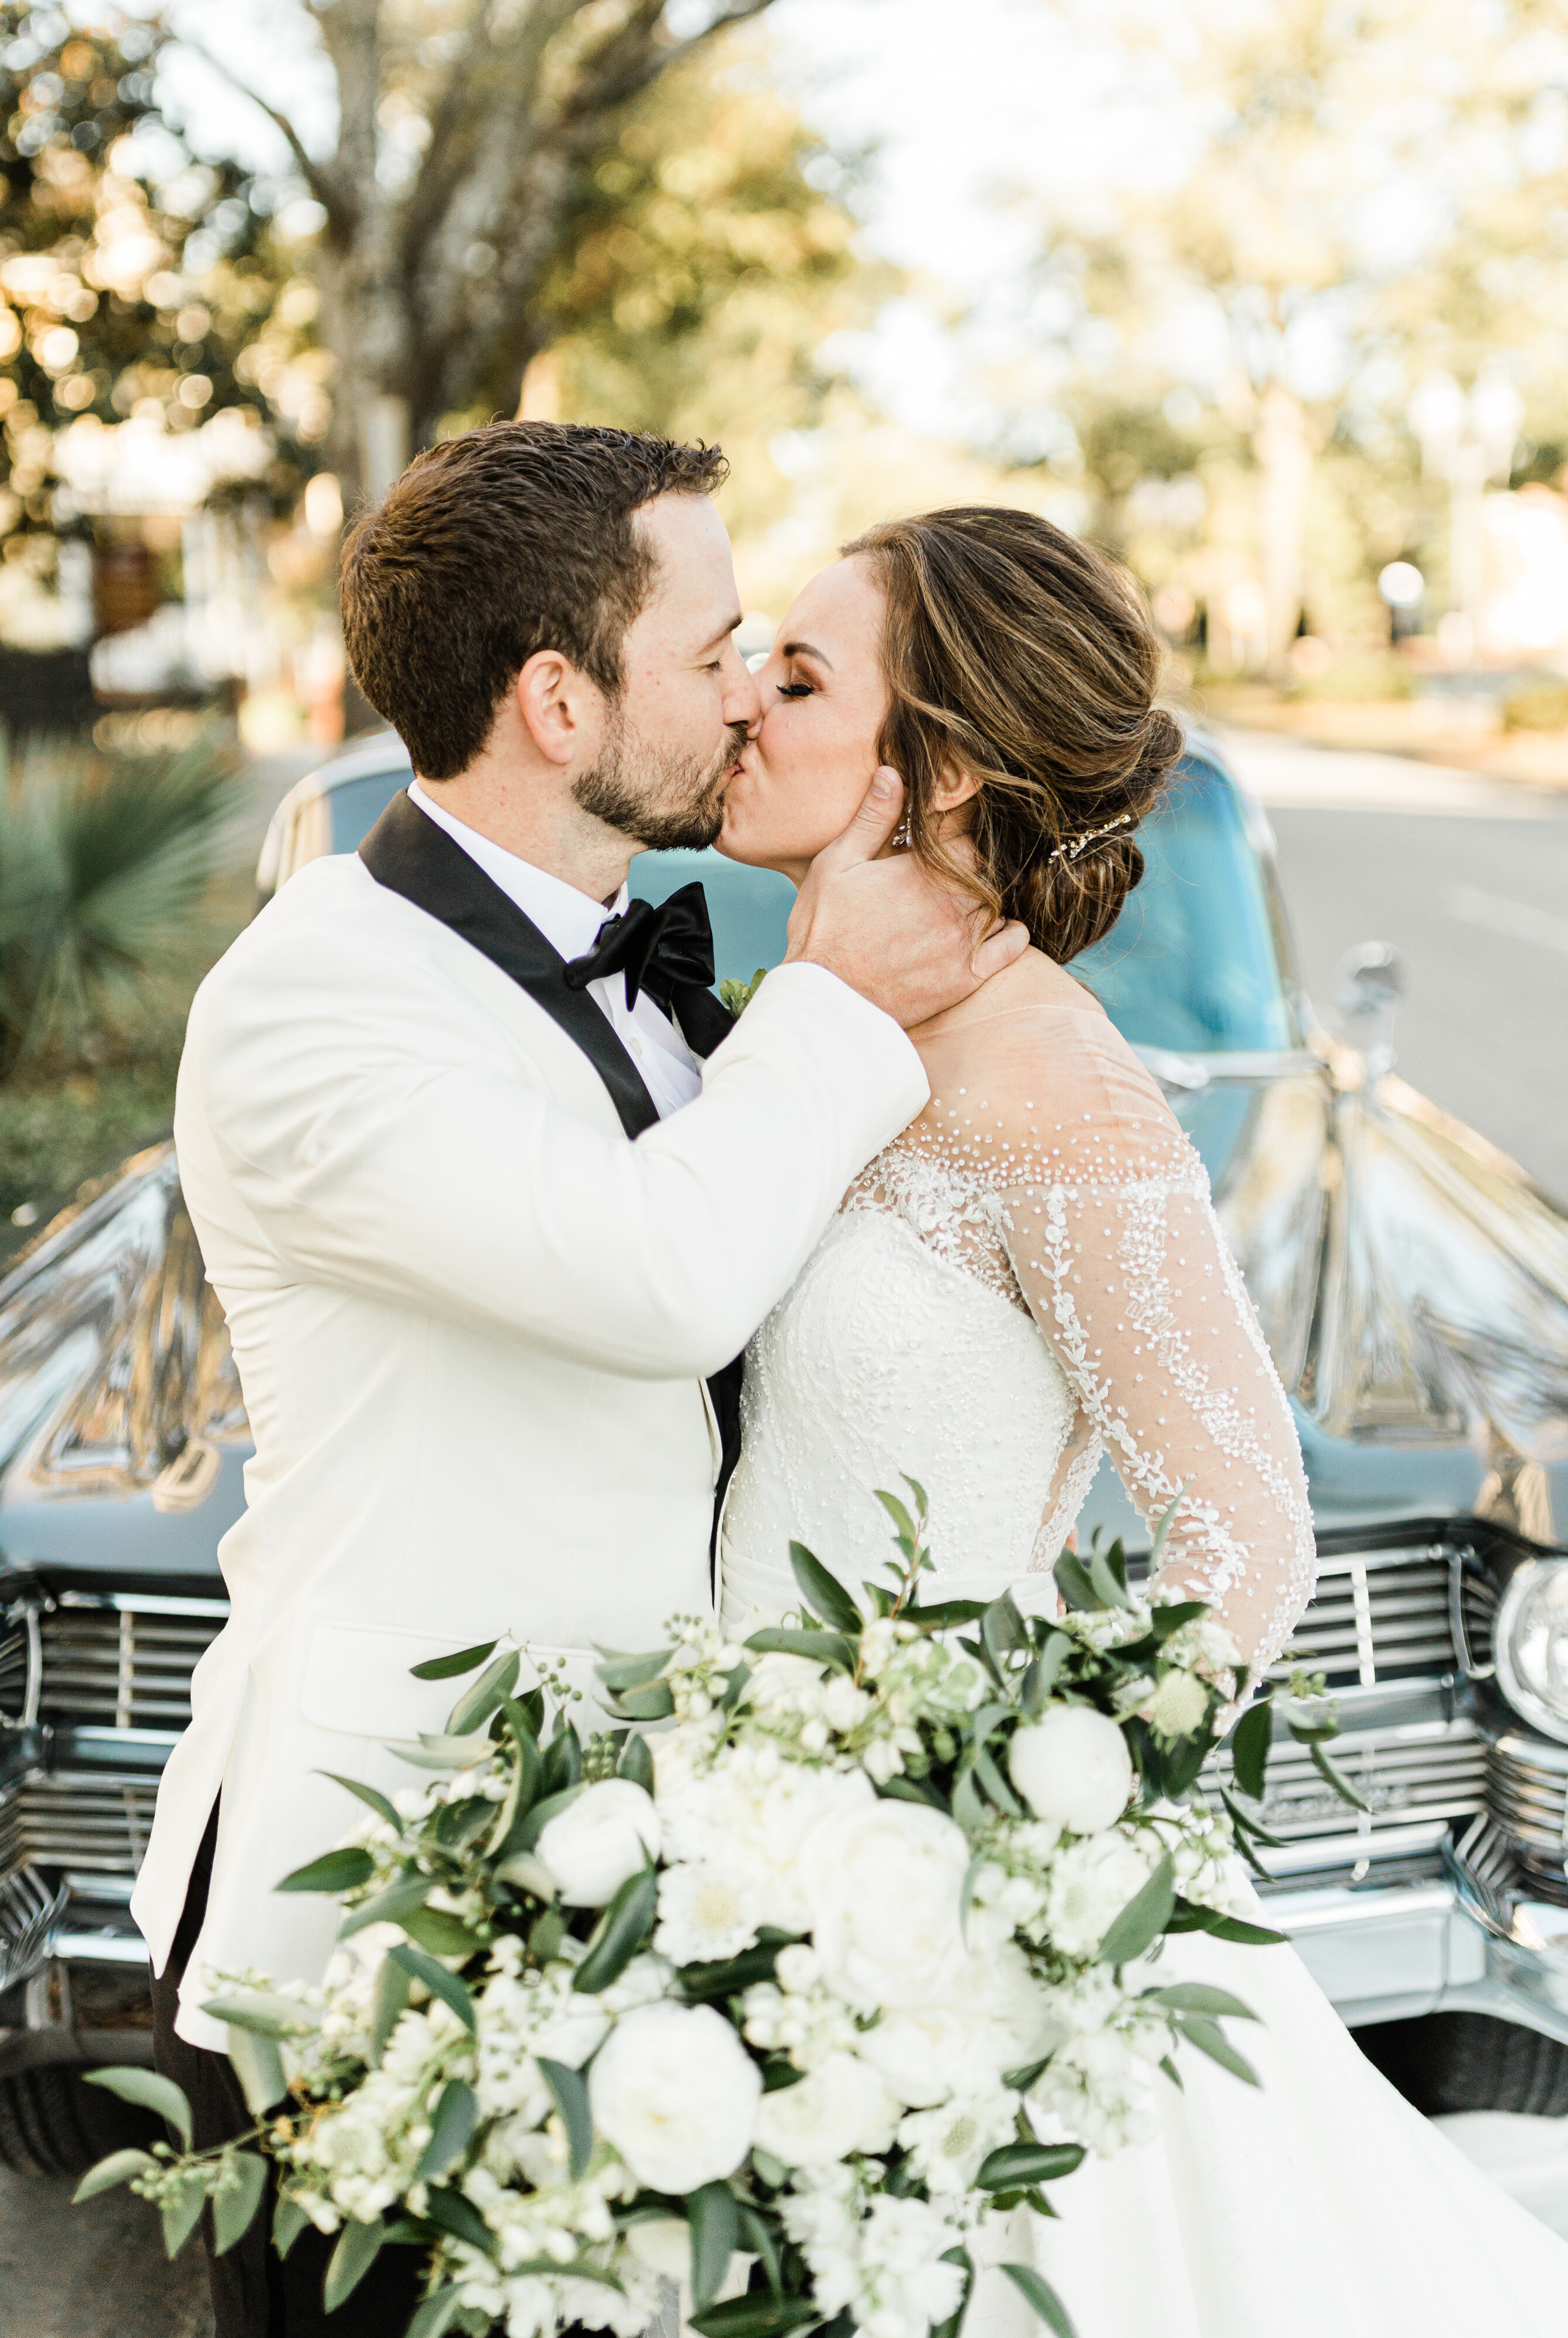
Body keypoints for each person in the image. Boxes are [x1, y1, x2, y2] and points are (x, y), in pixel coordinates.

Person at [712, 504, 1568, 2337]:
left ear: (949, 768)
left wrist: (1035, 1830)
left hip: (957, 1896)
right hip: (762, 1847)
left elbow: (1247, 1533)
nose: (746, 698)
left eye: (804, 673)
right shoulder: (812, 1038)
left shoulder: (1056, 1085)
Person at [132, 425, 1027, 2338]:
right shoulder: (315, 1000)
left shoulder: (660, 970)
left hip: (646, 1916)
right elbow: (662, 1280)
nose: (745, 692)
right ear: (558, 699)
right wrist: (846, 993)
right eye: (713, 652)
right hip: (372, 1932)